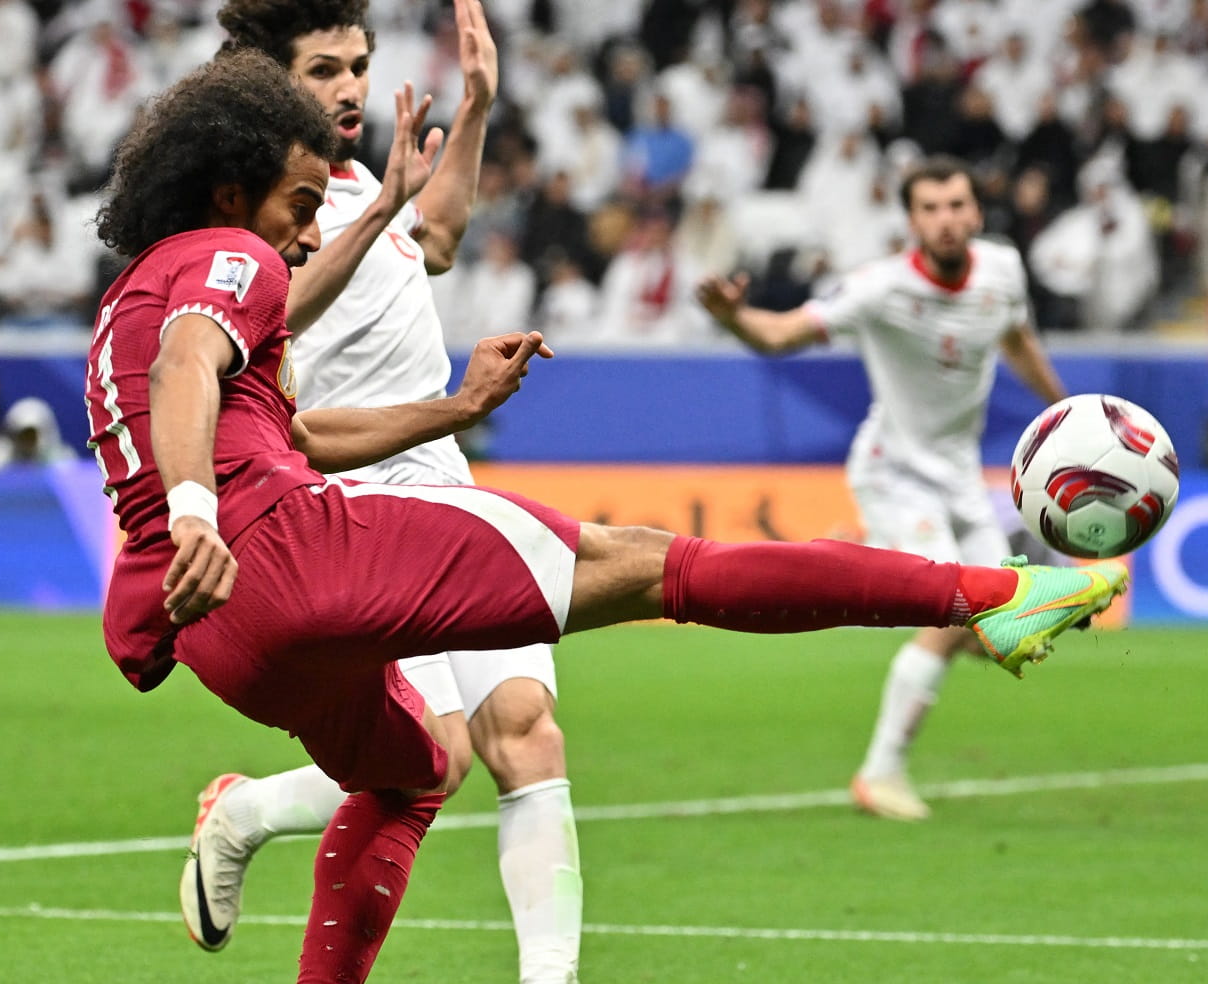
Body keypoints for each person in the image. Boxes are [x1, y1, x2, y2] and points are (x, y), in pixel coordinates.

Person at [85, 49, 1125, 984]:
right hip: (278, 549)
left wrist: (453, 408)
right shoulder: (233, 260)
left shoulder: (126, 299)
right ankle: (998, 592)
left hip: (217, 629)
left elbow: (286, 432)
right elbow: (190, 364)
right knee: (658, 565)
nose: (307, 234)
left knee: (413, 773)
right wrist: (195, 511)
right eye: (299, 204)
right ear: (229, 187)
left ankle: (265, 842)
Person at [194, 0, 588, 984]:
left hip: (443, 481)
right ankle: (247, 812)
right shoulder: (247, 211)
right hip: (341, 505)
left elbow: (442, 234)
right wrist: (375, 212)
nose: (351, 86)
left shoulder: (368, 175)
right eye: (324, 70)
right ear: (269, 80)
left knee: (527, 733)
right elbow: (279, 305)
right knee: (433, 757)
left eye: (358, 64)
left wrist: (477, 110)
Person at [697, 155, 1069, 821]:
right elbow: (782, 334)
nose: (946, 220)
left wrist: (1067, 411)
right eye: (930, 208)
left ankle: (863, 555)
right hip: (893, 470)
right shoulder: (879, 288)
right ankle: (879, 773)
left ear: (976, 212)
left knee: (1000, 628)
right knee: (957, 609)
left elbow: (1017, 341)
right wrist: (734, 317)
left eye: (957, 205)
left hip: (959, 477)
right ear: (911, 220)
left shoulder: (1004, 271)